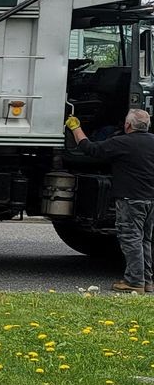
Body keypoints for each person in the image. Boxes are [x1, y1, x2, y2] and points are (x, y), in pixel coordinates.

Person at [68, 109, 154, 291]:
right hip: (151, 199)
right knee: (145, 240)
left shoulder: (121, 142)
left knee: (131, 239)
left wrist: (76, 128)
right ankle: (147, 281)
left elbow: (90, 149)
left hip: (131, 199)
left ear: (128, 125)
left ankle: (134, 282)